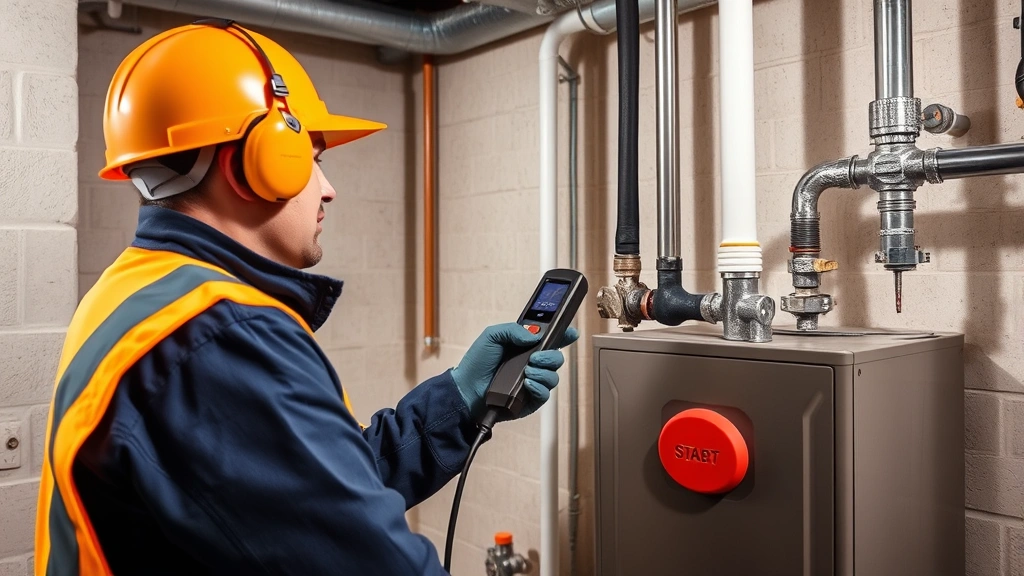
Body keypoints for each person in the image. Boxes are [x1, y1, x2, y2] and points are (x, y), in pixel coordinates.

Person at [34, 19, 578, 576]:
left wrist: (459, 402)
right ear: (256, 160)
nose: (327, 188)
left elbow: (314, 491)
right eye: (314, 157)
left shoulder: (135, 290)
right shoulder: (219, 334)